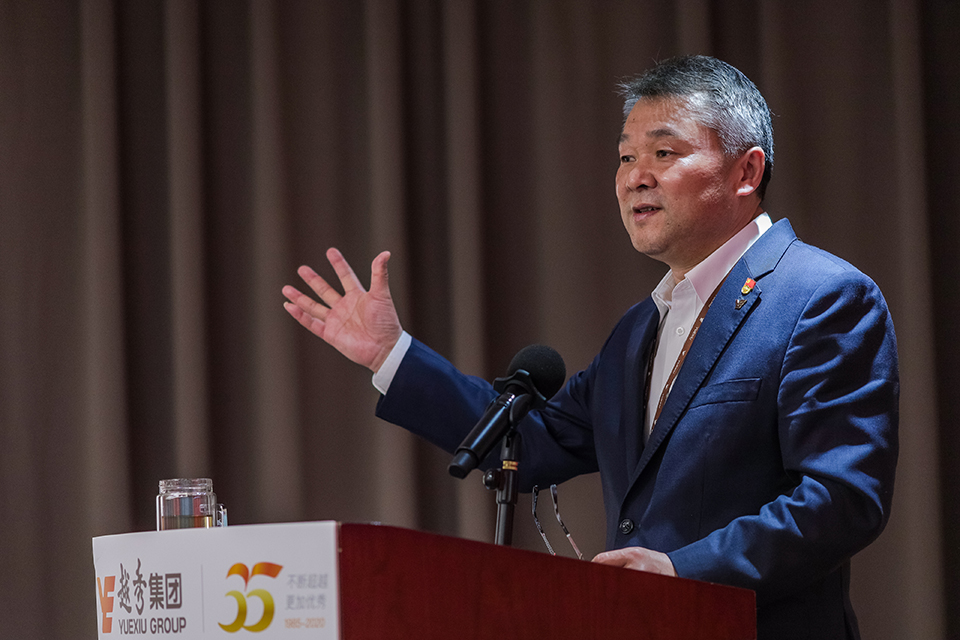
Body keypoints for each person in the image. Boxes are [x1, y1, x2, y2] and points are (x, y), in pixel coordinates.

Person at [282, 55, 898, 640]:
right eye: (626, 157)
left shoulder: (821, 296)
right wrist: (390, 354)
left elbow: (841, 499)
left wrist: (681, 572)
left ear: (747, 171)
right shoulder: (640, 328)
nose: (635, 177)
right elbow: (531, 441)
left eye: (664, 152)